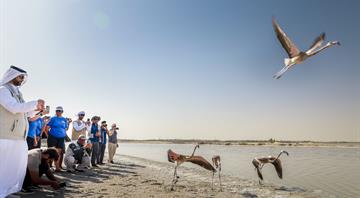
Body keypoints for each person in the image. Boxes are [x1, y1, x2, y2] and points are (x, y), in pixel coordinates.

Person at [0, 66, 45, 197]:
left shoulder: (18, 93)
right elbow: (13, 108)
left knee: (14, 168)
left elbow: (25, 113)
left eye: (23, 77)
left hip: (18, 137)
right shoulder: (3, 90)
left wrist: (38, 109)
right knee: (3, 167)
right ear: (12, 76)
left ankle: (7, 191)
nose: (22, 79)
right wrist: (34, 103)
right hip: (5, 136)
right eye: (20, 77)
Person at [46, 106, 70, 172]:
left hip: (61, 138)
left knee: (58, 153)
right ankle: (47, 167)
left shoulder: (64, 119)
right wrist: (49, 135)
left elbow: (66, 128)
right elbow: (47, 127)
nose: (58, 112)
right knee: (51, 152)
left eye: (59, 111)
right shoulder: (53, 118)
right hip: (52, 137)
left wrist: (68, 123)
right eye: (57, 110)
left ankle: (57, 168)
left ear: (62, 112)